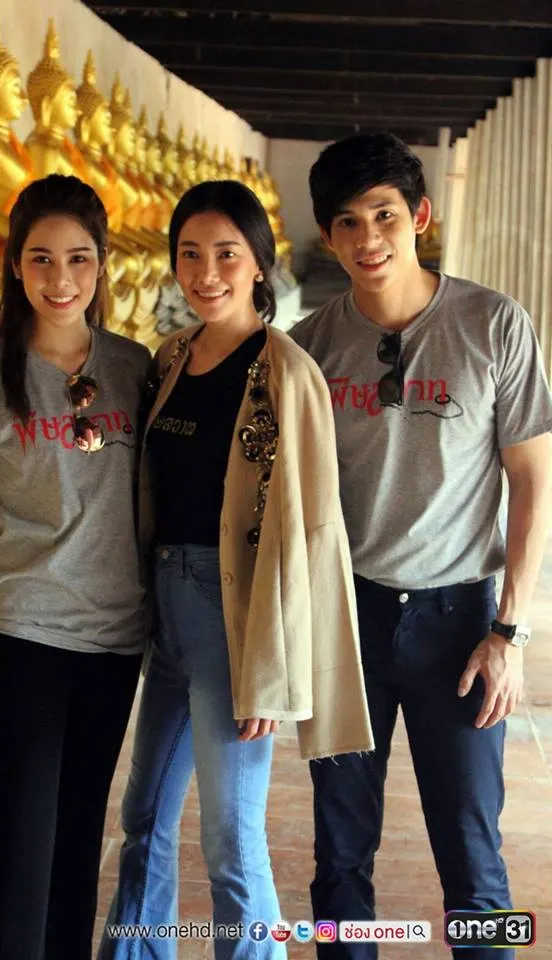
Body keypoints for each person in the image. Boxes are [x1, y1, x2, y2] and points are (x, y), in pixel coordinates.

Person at [290, 132, 552, 960]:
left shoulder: (493, 324)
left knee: (475, 857)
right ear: (327, 236)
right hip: (346, 621)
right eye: (347, 221)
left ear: (420, 217)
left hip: (459, 622)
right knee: (339, 856)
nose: (368, 238)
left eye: (385, 216)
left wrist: (510, 632)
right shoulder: (308, 347)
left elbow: (533, 482)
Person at [99, 179, 373, 960]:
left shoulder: (287, 372)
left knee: (229, 838)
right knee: (144, 818)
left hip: (236, 624)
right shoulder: (170, 358)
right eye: (190, 254)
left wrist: (275, 666)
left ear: (260, 263)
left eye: (226, 253)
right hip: (167, 620)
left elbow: (314, 530)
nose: (206, 272)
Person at [0, 174, 149, 960]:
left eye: (79, 259)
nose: (61, 280)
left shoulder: (134, 367)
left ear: (102, 264)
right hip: (17, 634)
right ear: (15, 264)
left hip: (113, 641)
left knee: (73, 841)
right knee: (20, 842)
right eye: (41, 259)